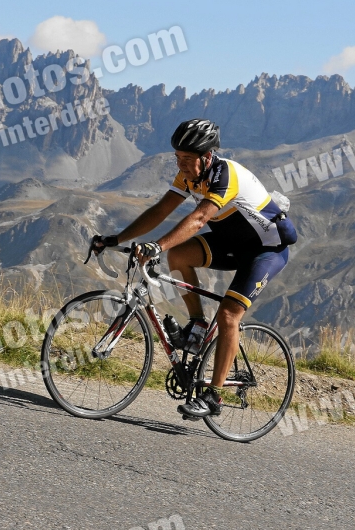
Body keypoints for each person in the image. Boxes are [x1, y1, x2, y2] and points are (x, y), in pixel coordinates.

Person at [92, 118, 298, 418]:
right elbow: (161, 210)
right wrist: (116, 238)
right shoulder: (189, 177)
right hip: (230, 242)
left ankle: (214, 397)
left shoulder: (226, 175)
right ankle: (198, 325)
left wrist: (155, 246)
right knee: (178, 256)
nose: (182, 165)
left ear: (207, 156)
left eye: (187, 159)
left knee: (228, 314)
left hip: (264, 252)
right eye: (177, 158)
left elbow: (200, 219)